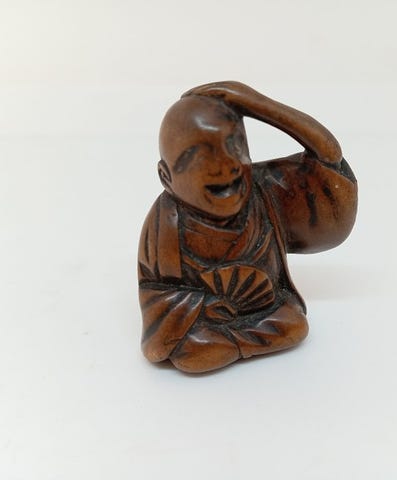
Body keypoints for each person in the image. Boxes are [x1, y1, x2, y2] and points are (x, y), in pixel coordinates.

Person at [138, 81, 357, 373]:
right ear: (166, 177)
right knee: (195, 346)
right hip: (207, 325)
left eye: (236, 147)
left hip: (269, 313)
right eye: (203, 157)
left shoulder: (263, 190)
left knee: (292, 323)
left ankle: (230, 347)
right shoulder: (167, 220)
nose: (228, 164)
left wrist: (258, 104)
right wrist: (205, 305)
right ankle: (229, 344)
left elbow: (328, 162)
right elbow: (157, 296)